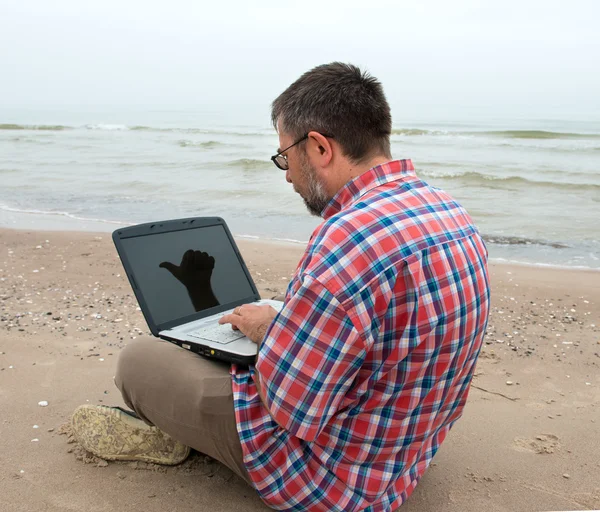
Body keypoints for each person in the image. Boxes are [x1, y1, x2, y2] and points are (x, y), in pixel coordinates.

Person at [71, 62, 490, 511]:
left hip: (330, 480)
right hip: (402, 455)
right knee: (236, 337)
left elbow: (290, 411)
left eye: (284, 158)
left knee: (140, 358)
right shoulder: (446, 210)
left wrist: (270, 335)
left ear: (318, 147)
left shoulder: (349, 239)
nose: (287, 174)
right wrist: (283, 326)